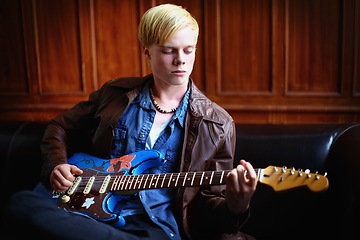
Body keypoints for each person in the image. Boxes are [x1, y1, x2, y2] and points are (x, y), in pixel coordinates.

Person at [6, 4, 257, 240]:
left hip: (154, 228)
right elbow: (59, 127)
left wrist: (237, 206)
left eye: (188, 50)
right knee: (21, 201)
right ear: (147, 52)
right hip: (87, 212)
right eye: (169, 50)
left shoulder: (218, 124)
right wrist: (56, 164)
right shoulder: (114, 94)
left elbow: (210, 208)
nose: (181, 60)